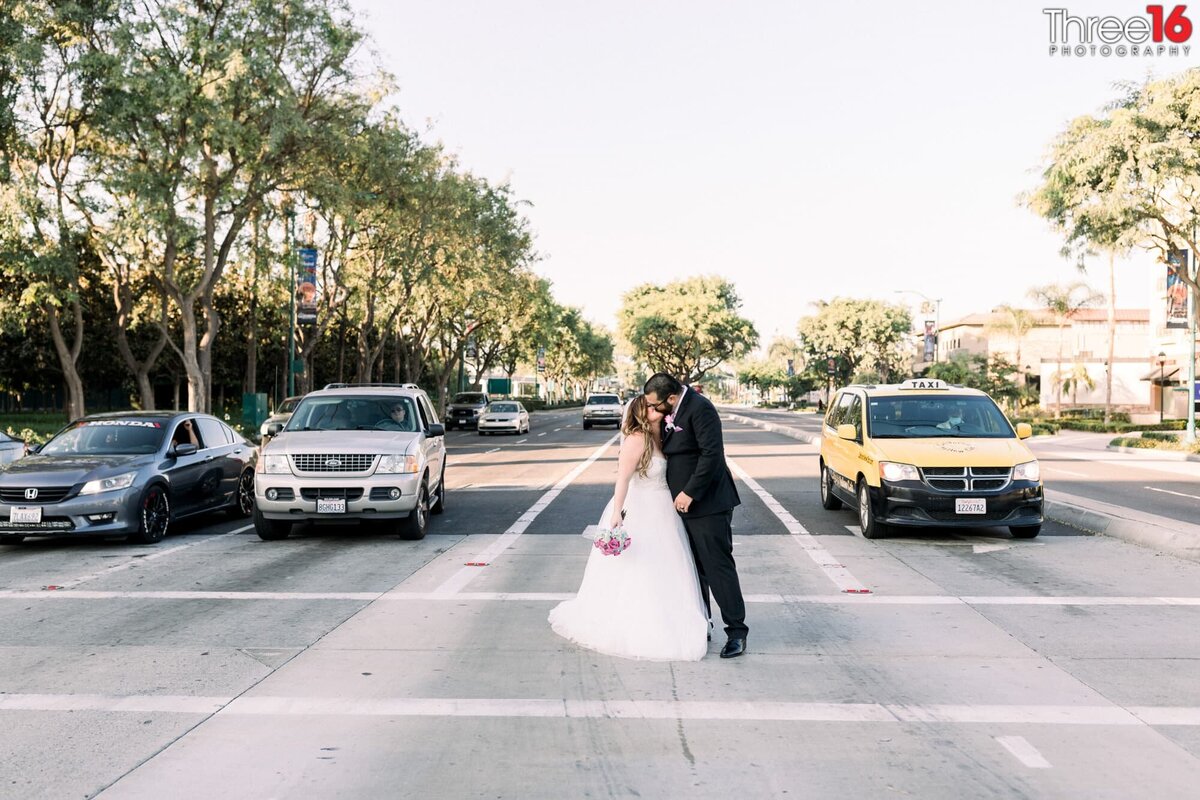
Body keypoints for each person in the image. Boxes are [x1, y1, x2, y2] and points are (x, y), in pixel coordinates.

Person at [548, 395, 708, 661]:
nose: (654, 408)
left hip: (664, 510)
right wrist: (616, 514)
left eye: (657, 405)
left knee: (670, 565)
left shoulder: (663, 437)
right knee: (641, 568)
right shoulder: (636, 439)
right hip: (641, 507)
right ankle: (643, 622)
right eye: (648, 406)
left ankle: (674, 616)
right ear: (639, 413)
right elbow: (622, 479)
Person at [643, 372, 748, 659]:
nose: (653, 409)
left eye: (656, 404)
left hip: (708, 504)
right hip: (681, 507)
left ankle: (737, 631)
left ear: (672, 397)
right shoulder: (673, 410)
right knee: (693, 568)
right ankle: (703, 622)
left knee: (717, 568)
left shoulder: (701, 408)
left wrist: (690, 492)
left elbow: (711, 455)